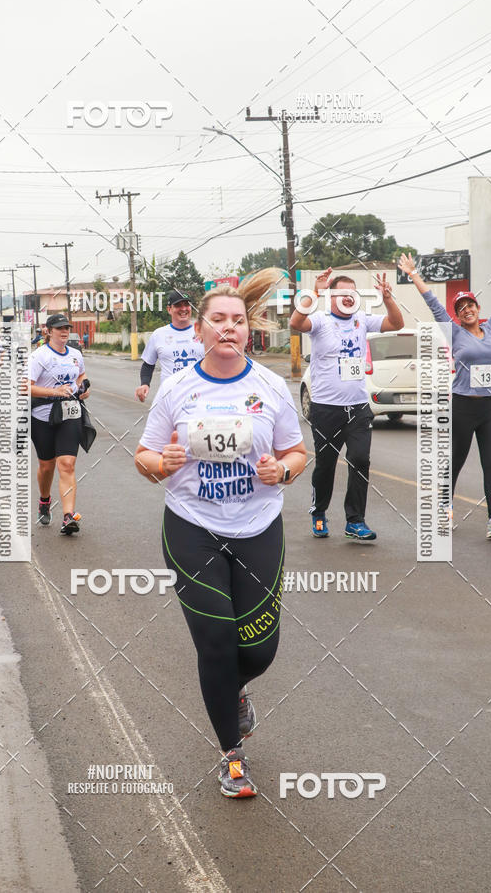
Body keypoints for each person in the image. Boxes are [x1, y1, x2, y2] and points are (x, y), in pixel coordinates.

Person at [135, 269, 307, 798]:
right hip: (193, 528)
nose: (228, 329)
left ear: (247, 330)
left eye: (237, 321)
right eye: (218, 320)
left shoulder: (271, 387)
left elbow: (297, 452)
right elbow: (142, 456)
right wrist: (159, 464)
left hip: (257, 527)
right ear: (201, 330)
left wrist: (286, 470)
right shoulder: (178, 389)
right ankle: (232, 756)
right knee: (215, 643)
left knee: (259, 648)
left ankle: (234, 692)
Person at [399, 246, 491, 539]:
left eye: (471, 305)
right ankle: (444, 508)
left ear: (477, 308)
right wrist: (414, 274)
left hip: (490, 407)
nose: (467, 309)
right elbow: (433, 303)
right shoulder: (454, 333)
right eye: (461, 308)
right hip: (462, 406)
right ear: (457, 315)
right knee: (456, 460)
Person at [290, 268, 404, 541]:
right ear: (331, 297)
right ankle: (319, 512)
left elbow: (396, 324)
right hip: (326, 408)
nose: (348, 297)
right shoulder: (319, 320)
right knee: (326, 465)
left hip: (358, 408)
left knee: (360, 460)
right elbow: (296, 322)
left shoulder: (362, 320)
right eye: (341, 293)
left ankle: (355, 520)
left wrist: (387, 297)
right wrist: (313, 291)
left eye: (352, 293)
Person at [28, 313, 90, 535]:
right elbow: (26, 386)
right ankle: (44, 501)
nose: (65, 332)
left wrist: (83, 389)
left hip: (69, 414)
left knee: (67, 463)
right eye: (60, 328)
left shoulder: (75, 354)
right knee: (47, 465)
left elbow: (81, 376)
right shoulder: (39, 357)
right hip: (42, 416)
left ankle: (68, 516)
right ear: (49, 331)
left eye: (67, 328)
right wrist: (54, 391)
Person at [135, 291, 205, 402]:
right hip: (170, 397)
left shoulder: (204, 331)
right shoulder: (158, 334)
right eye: (178, 305)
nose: (183, 309)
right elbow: (148, 365)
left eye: (186, 304)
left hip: (200, 396)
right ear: (169, 309)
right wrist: (145, 384)